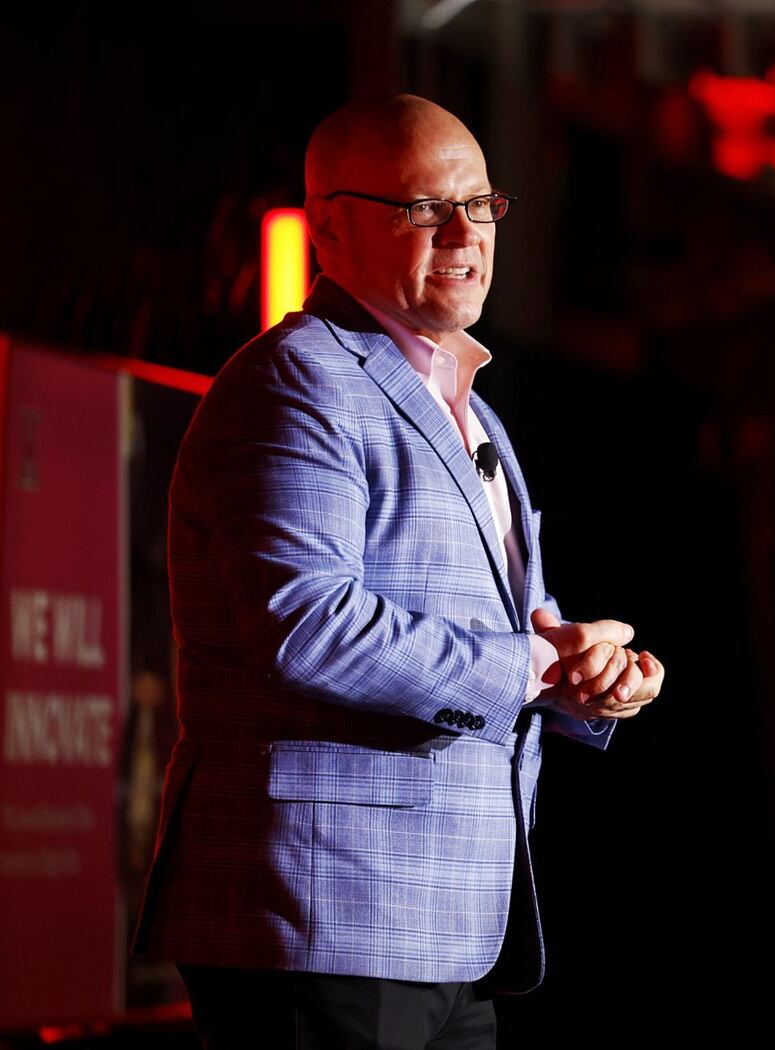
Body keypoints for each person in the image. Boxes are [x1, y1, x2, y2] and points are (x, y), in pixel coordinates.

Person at [132, 94, 665, 1049]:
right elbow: (305, 624)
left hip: (450, 926)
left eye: (481, 204)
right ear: (330, 225)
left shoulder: (472, 409)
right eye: (422, 208)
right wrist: (532, 671)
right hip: (323, 912)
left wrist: (587, 673)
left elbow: (505, 628)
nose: (465, 233)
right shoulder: (298, 379)